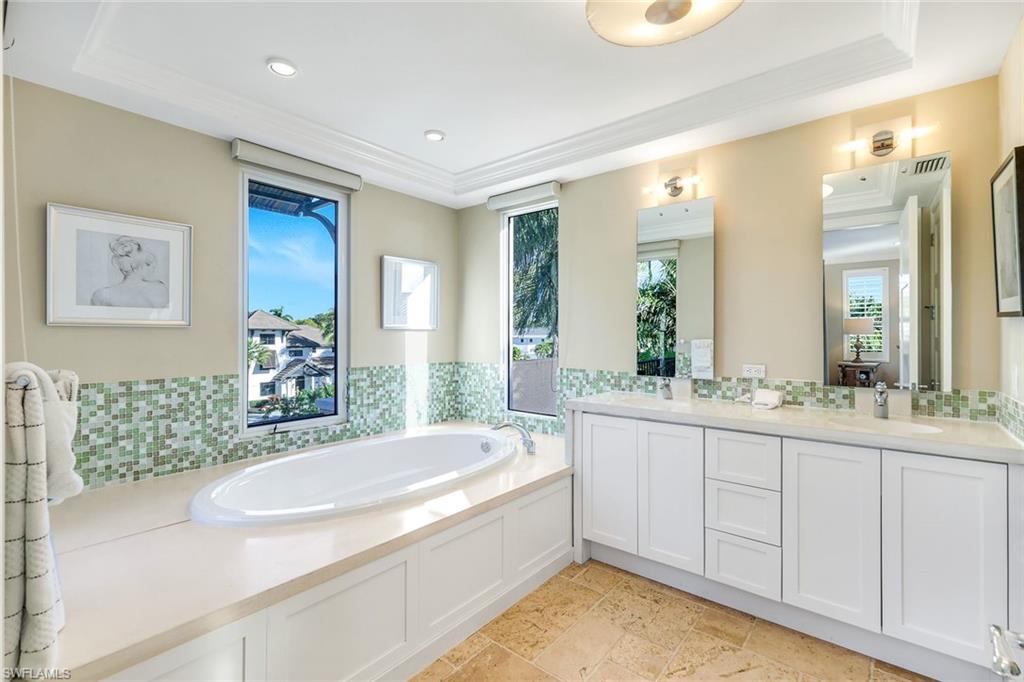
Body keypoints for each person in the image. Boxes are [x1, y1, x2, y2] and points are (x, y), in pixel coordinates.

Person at [90, 236, 170, 308]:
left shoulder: (101, 295)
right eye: (148, 264)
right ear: (142, 264)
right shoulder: (159, 289)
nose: (152, 269)